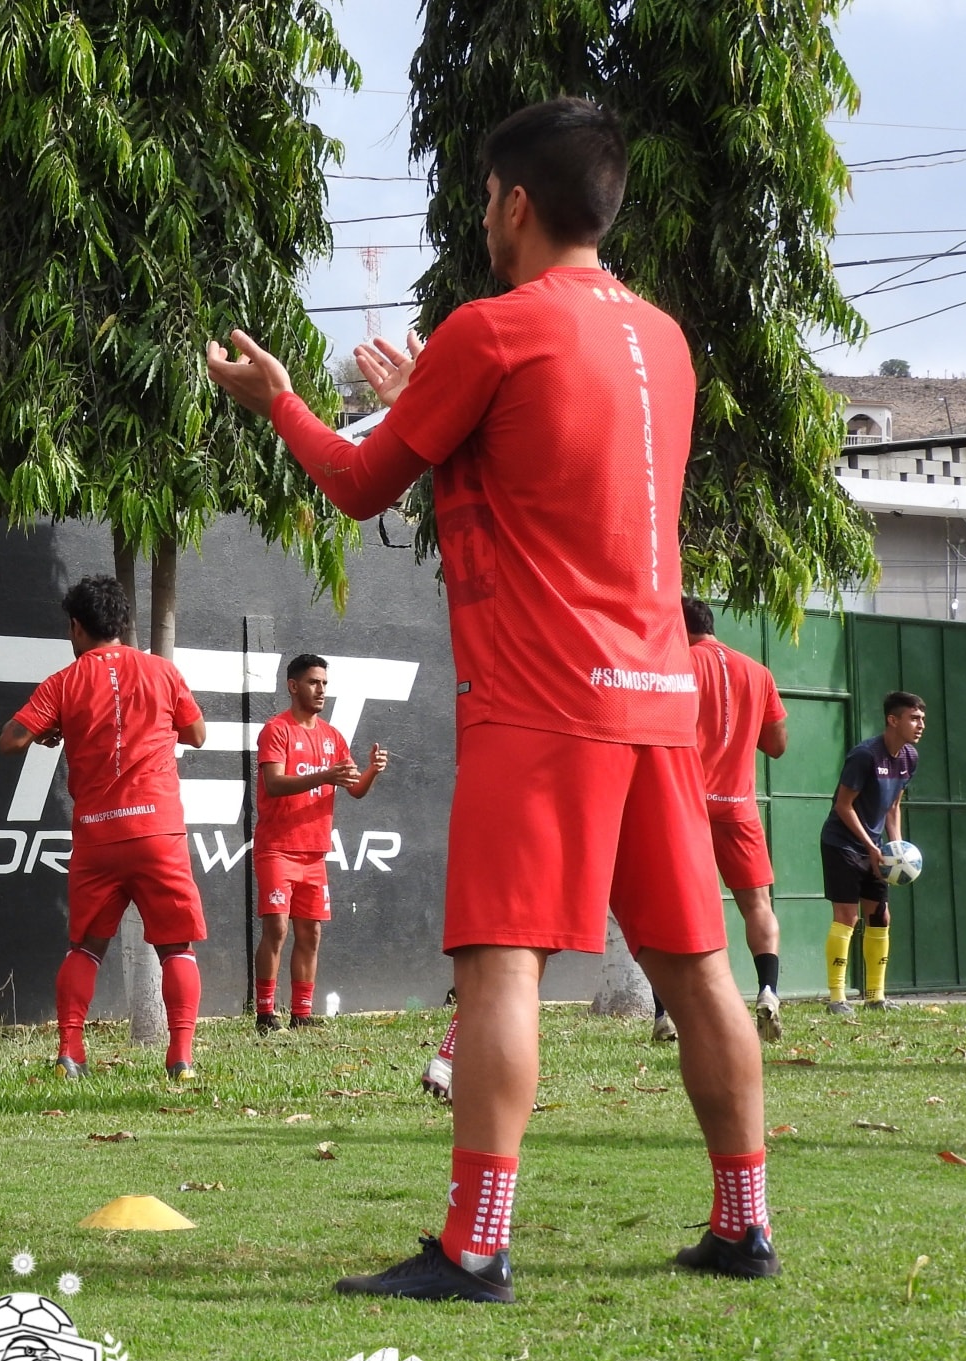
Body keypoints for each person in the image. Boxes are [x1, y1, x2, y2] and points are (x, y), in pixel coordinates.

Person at [207, 98, 773, 1300]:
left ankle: (473, 1246)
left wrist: (277, 406)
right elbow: (540, 464)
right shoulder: (664, 341)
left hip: (541, 700)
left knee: (496, 966)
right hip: (654, 697)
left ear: (514, 203)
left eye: (480, 197)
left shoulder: (491, 329)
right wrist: (434, 393)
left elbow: (361, 483)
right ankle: (742, 1224)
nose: (479, 217)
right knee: (696, 969)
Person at [0, 576, 210, 1080]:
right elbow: (197, 734)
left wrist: (55, 728)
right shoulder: (161, 672)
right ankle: (181, 1059)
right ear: (123, 623)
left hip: (98, 835)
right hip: (158, 831)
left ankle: (70, 1052)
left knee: (85, 948)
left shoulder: (64, 682)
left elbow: (9, 741)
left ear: (76, 627)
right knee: (177, 946)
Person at [668, 598, 788, 1042]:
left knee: (671, 905)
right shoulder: (757, 672)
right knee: (758, 905)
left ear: (678, 627)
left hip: (686, 802)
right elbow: (777, 744)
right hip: (738, 805)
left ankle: (667, 1015)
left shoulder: (677, 663)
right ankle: (769, 991)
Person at [252, 654, 388, 1033]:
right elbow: (274, 784)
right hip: (277, 848)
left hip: (314, 853)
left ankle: (302, 1013)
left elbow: (355, 789)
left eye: (325, 683)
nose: (321, 690)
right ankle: (265, 1013)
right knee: (277, 928)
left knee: (311, 933)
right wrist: (324, 775)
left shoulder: (332, 737)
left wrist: (372, 771)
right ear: (293, 686)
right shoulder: (276, 730)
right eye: (314, 682)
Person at [821, 692, 925, 1014]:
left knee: (880, 915)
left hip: (877, 850)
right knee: (847, 916)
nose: (920, 724)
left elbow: (893, 805)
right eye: (913, 718)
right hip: (842, 844)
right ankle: (837, 998)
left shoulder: (909, 757)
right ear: (893, 720)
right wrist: (869, 845)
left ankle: (875, 996)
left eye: (922, 718)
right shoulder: (864, 756)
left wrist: (896, 849)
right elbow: (843, 805)